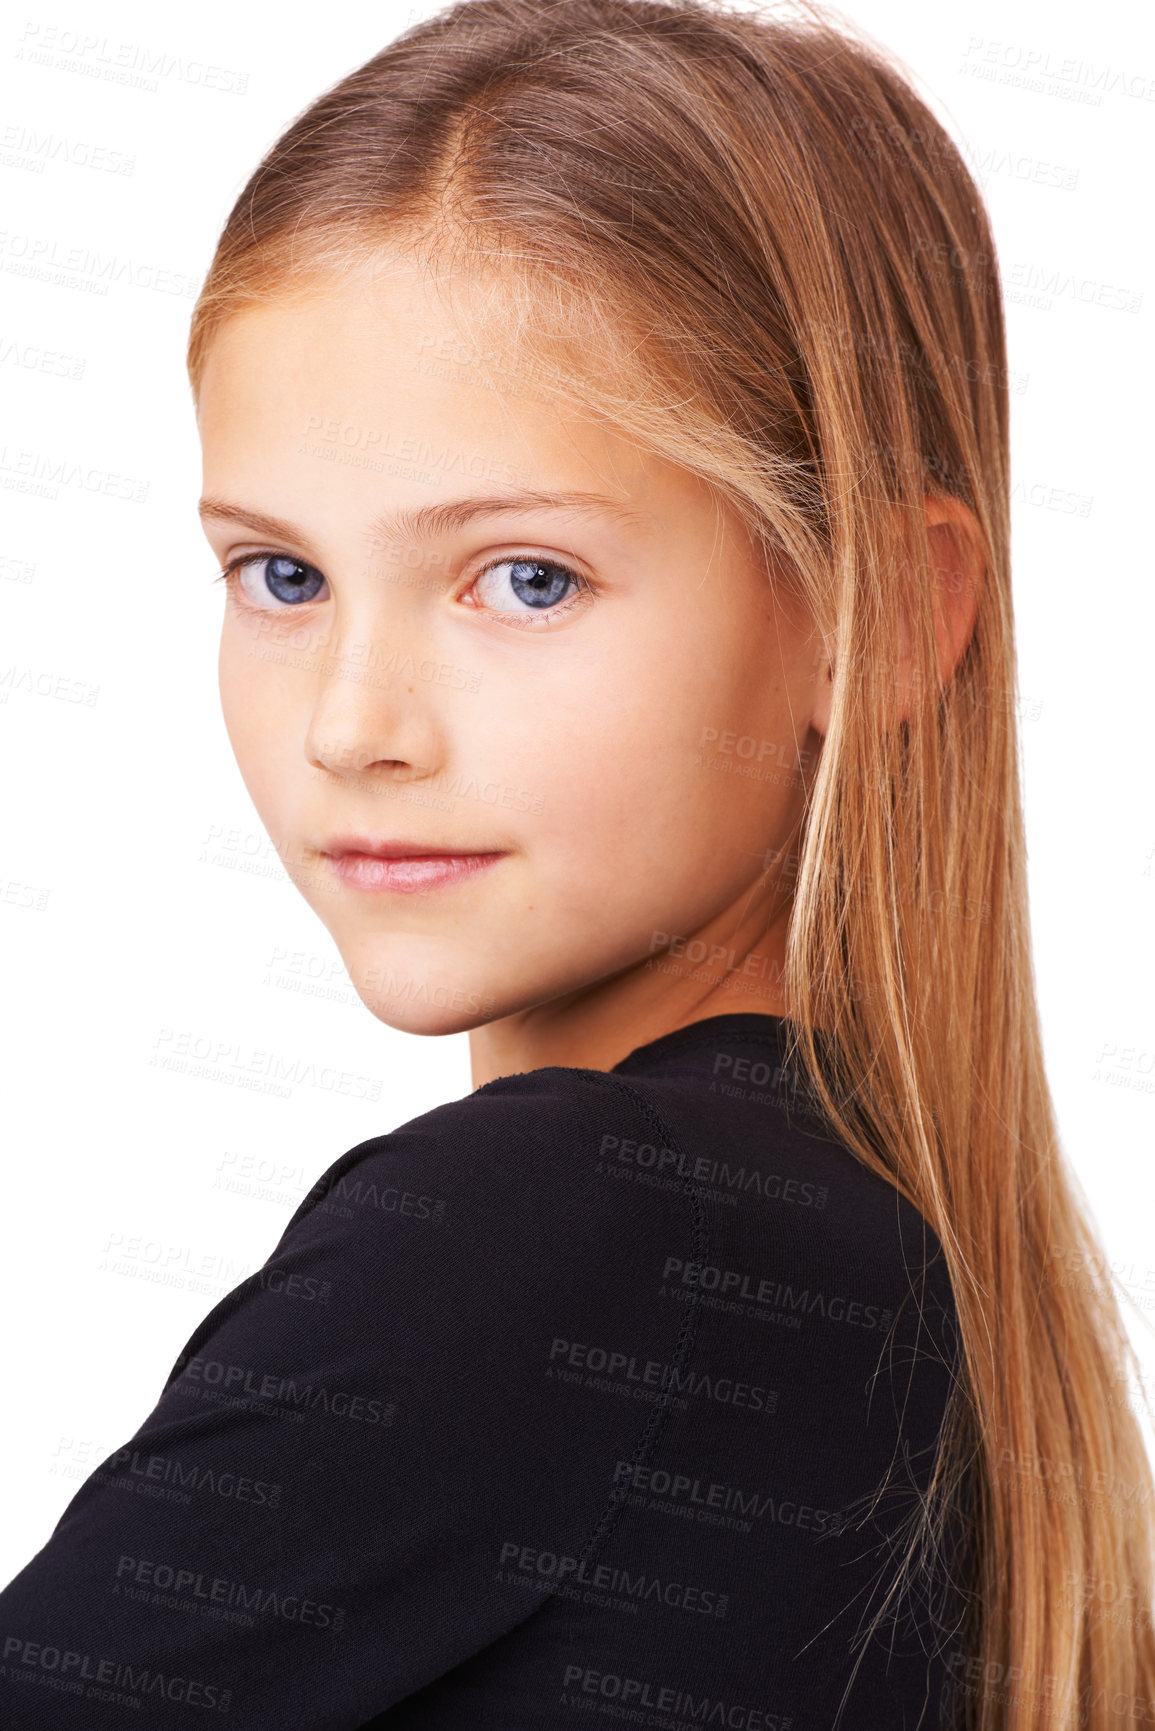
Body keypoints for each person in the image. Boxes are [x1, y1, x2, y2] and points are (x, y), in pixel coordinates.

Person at [2, 0, 1152, 1725]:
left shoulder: (573, 1229)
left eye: (524, 578)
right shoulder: (896, 1286)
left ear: (886, 615)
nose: (352, 726)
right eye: (282, 577)